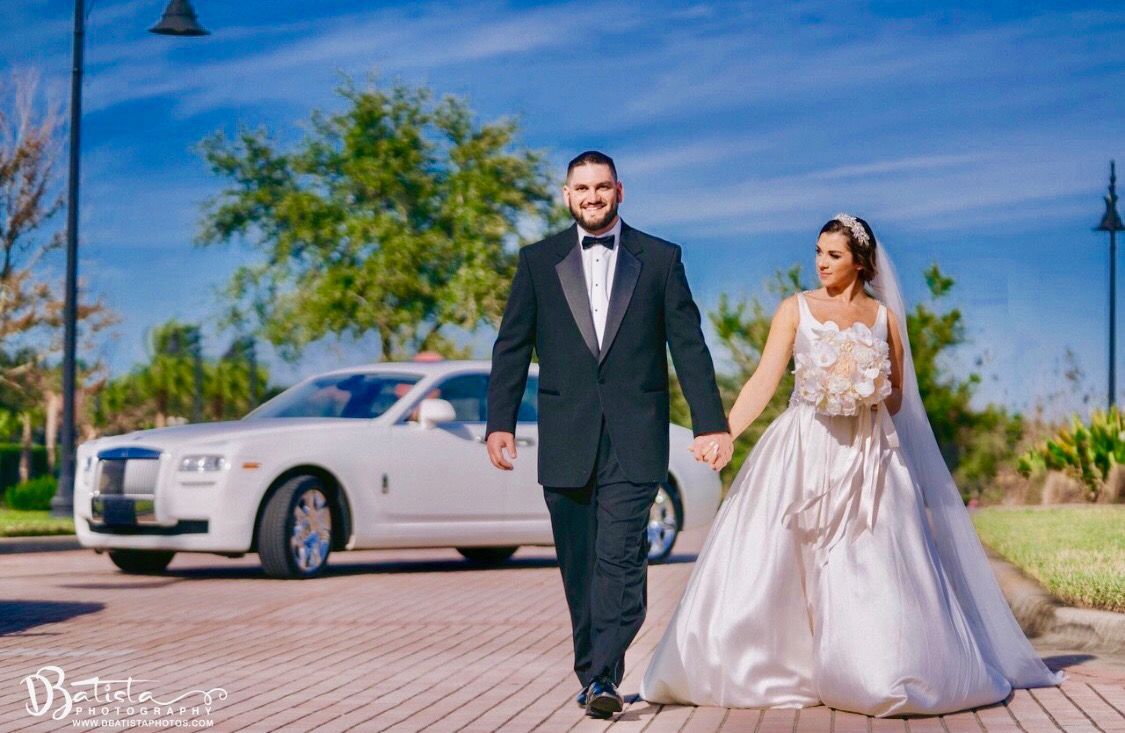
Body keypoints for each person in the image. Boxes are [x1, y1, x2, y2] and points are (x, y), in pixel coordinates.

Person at [640, 214, 1063, 717]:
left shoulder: (885, 320)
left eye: (834, 255)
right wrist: (725, 431)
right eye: (818, 251)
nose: (821, 262)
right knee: (781, 556)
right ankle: (777, 665)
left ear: (861, 263)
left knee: (868, 559)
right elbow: (763, 381)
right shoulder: (794, 309)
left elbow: (901, 400)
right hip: (803, 447)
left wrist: (866, 388)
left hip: (869, 456)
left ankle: (871, 668)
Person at [485, 151, 732, 719]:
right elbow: (512, 347)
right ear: (567, 195)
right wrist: (500, 422)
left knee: (620, 558)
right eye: (581, 188)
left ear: (619, 191)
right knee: (579, 564)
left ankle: (602, 677)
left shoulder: (661, 259)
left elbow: (687, 344)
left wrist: (710, 421)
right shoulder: (537, 261)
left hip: (634, 434)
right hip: (565, 436)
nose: (592, 196)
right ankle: (593, 668)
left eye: (602, 187)